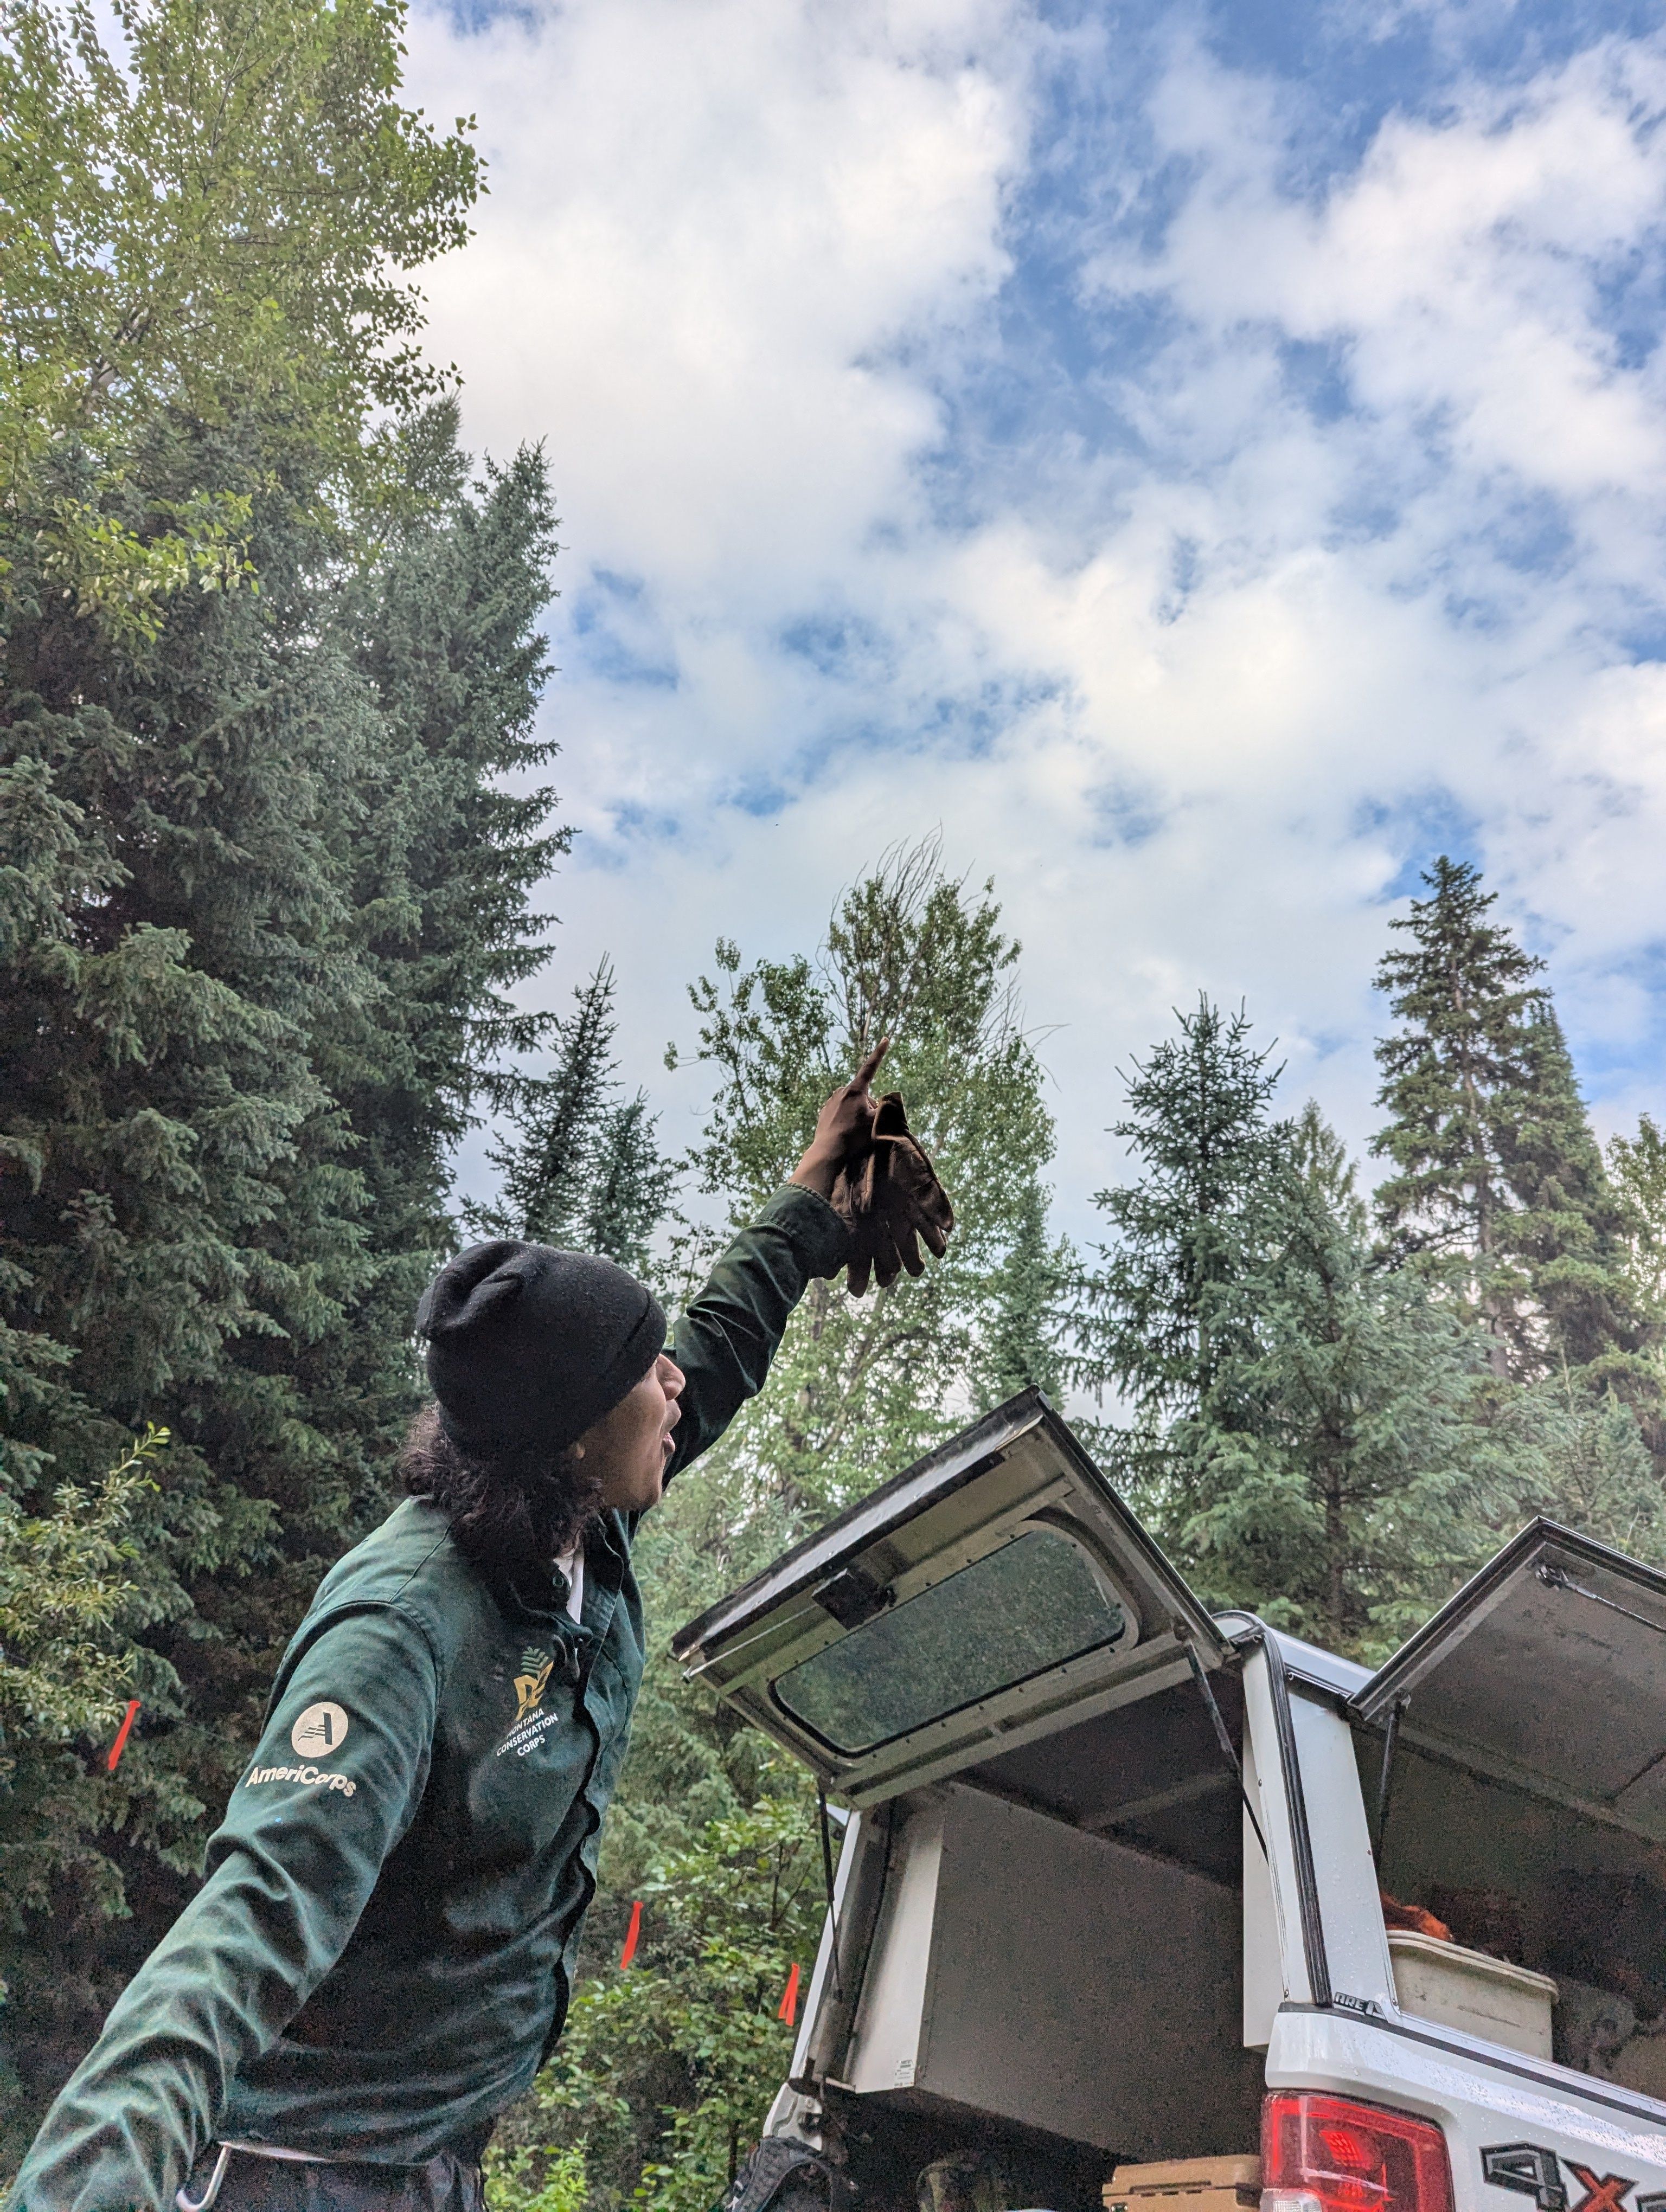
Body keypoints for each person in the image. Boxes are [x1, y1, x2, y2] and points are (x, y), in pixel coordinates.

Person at [9, 1050, 893, 2212]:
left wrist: (809, 1204)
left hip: (433, 2167)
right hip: (304, 2179)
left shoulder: (581, 1512)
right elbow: (251, 1917)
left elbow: (714, 1349)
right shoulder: (400, 1630)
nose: (672, 1385)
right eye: (644, 1371)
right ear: (575, 1430)